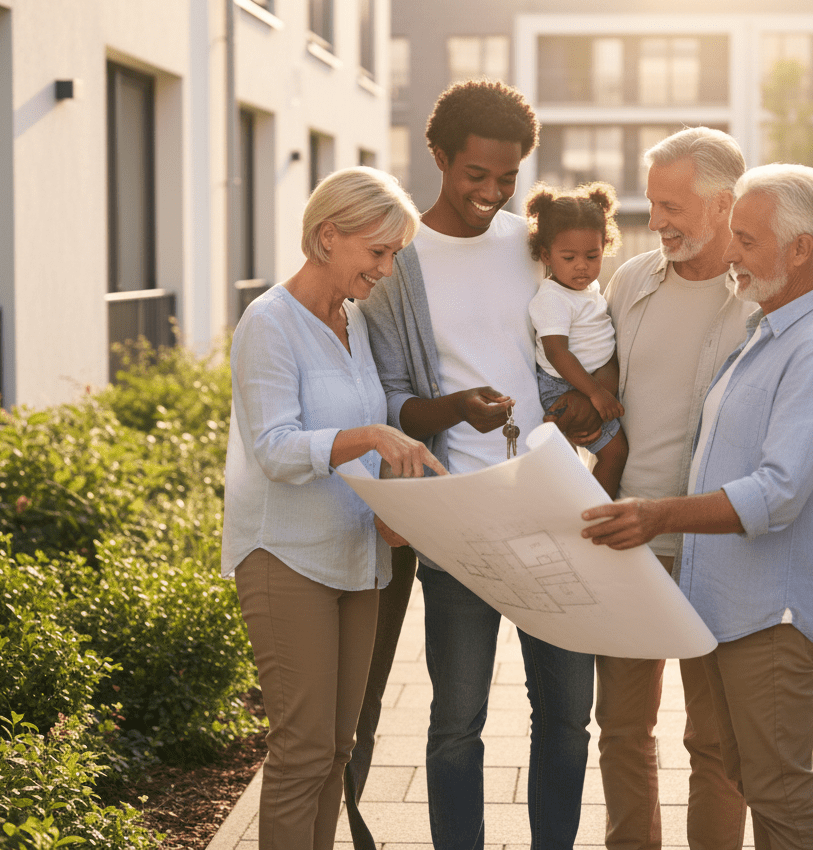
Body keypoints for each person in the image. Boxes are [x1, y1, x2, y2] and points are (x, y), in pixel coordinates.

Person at [581, 164, 813, 850]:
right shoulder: (770, 332)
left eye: (746, 239)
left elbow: (777, 492)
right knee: (757, 781)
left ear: (799, 250)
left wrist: (657, 515)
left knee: (782, 794)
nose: (731, 254)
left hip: (769, 614)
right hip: (731, 606)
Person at [361, 79, 595, 850]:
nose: (492, 194)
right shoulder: (400, 262)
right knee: (456, 721)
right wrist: (458, 406)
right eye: (475, 176)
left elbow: (577, 339)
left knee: (566, 715)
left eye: (508, 178)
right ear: (437, 156)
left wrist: (588, 408)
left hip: (552, 508)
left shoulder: (531, 243)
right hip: (460, 522)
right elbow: (395, 401)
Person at [221, 167, 445, 850]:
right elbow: (276, 450)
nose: (385, 269)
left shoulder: (353, 321)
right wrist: (373, 438)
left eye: (394, 256)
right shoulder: (270, 323)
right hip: (285, 556)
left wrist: (392, 505)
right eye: (377, 252)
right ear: (327, 236)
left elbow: (360, 427)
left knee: (338, 750)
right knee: (300, 754)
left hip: (358, 557)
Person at [547, 127, 752, 850]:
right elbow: (605, 390)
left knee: (718, 742)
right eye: (652, 202)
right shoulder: (631, 281)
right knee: (624, 731)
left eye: (672, 205)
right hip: (630, 541)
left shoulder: (760, 298)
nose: (656, 219)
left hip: (721, 549)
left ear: (724, 203)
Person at [524, 180, 629, 497]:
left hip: (592, 383)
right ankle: (584, 522)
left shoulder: (588, 290)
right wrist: (596, 393)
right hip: (564, 385)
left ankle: (594, 519)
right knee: (565, 465)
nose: (582, 266)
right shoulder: (553, 298)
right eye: (569, 258)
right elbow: (557, 353)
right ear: (546, 255)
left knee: (613, 454)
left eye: (592, 256)